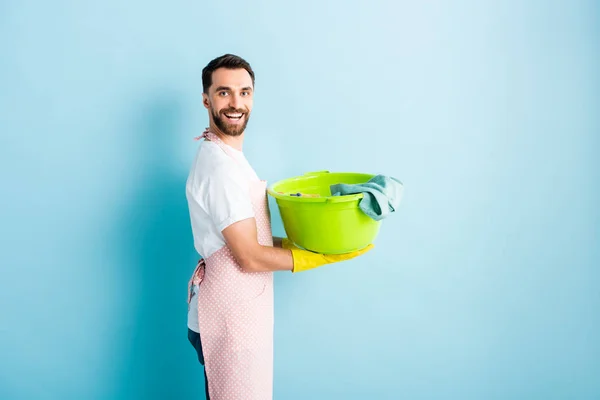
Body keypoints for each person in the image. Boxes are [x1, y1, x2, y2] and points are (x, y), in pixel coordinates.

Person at [185, 54, 373, 400]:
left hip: (241, 311)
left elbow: (247, 235)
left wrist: (312, 241)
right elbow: (248, 256)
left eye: (245, 92)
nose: (236, 103)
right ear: (206, 99)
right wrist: (312, 258)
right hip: (228, 320)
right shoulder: (220, 168)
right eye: (224, 92)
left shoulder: (228, 157)